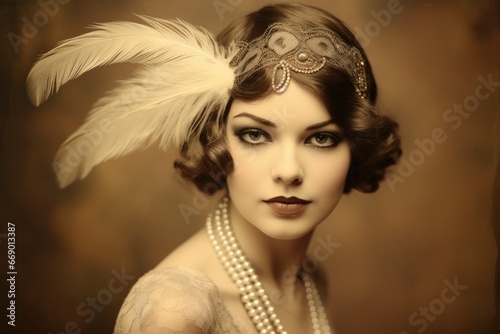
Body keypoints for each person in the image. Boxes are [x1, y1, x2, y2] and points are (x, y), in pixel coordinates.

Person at [26, 3, 401, 333]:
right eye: (255, 135)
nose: (288, 171)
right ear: (217, 140)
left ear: (355, 146)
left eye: (321, 139)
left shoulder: (309, 281)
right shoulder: (173, 313)